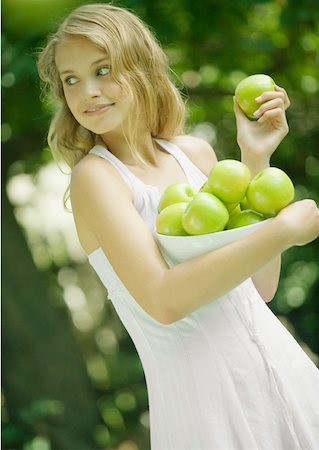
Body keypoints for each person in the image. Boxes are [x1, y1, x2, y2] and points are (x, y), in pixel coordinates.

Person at [37, 3, 319, 449]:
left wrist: (256, 158)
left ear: (142, 68)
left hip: (284, 377)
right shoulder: (97, 178)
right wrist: (281, 230)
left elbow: (258, 288)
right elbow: (163, 301)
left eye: (103, 69)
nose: (87, 91)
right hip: (206, 408)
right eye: (71, 79)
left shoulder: (195, 154)